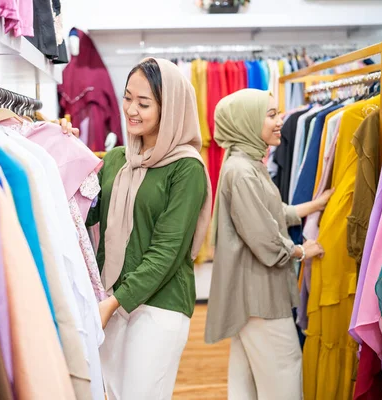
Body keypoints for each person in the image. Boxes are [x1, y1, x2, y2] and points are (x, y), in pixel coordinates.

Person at [77, 58, 211, 399]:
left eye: (144, 103)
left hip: (159, 307)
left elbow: (167, 252)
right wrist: (69, 154)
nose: (131, 110)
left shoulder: (186, 168)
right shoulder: (116, 160)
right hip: (112, 298)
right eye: (127, 98)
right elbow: (87, 214)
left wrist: (113, 303)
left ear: (170, 108)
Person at [204, 89, 333, 400]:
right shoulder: (243, 171)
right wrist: (302, 251)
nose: (280, 121)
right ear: (248, 121)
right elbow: (263, 238)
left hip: (251, 295)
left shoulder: (245, 163)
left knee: (246, 378)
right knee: (283, 373)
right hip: (259, 295)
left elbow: (270, 211)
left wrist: (313, 206)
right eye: (271, 114)